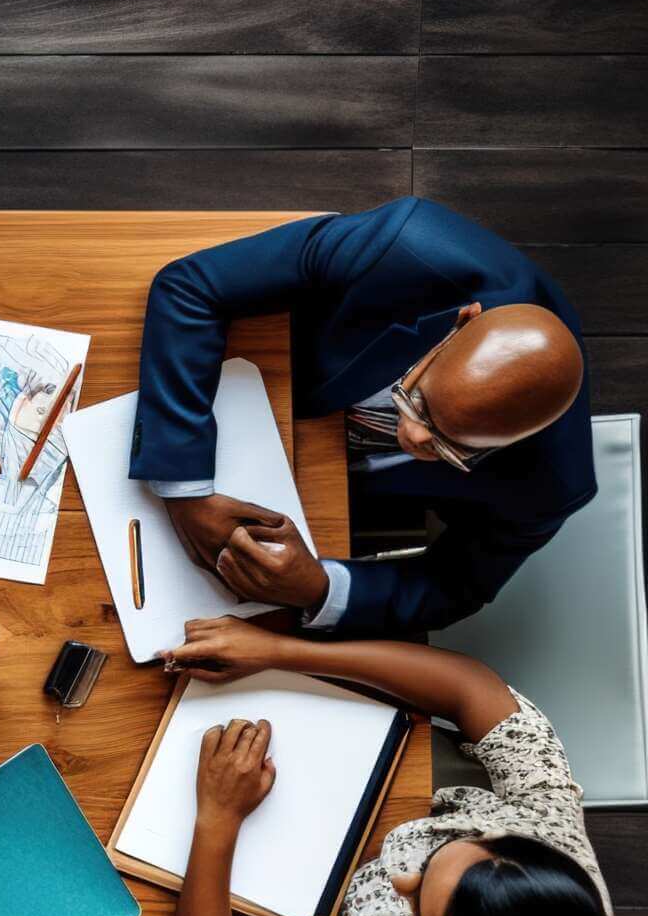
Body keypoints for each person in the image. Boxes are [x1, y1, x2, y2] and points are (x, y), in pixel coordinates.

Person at [165, 618, 627, 916]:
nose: (400, 879)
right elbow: (473, 689)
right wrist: (279, 649)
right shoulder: (550, 839)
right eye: (435, 859)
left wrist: (218, 818)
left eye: (417, 904)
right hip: (358, 788)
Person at [132, 196, 592, 634]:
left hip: (318, 504)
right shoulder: (407, 246)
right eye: (420, 403)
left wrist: (319, 587)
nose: (411, 435)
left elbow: (456, 588)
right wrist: (186, 491)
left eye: (449, 447)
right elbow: (191, 286)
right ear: (459, 324)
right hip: (258, 381)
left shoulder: (552, 487)